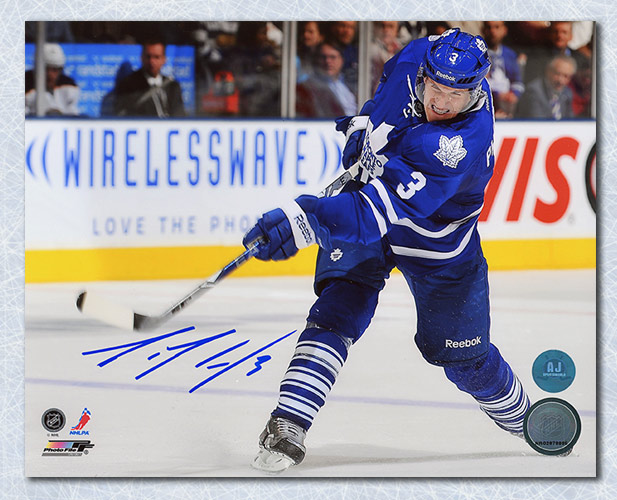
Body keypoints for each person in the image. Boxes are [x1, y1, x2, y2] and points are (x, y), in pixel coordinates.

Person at [243, 28, 534, 473]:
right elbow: (385, 89)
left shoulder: (457, 145)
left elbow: (368, 215)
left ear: (476, 91)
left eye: (456, 95)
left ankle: (528, 420)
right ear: (424, 72)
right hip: (374, 214)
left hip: (436, 245)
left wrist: (305, 220)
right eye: (435, 88)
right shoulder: (417, 54)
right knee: (337, 310)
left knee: (463, 359)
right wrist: (365, 125)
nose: (442, 103)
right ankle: (289, 422)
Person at [113, 39, 186, 117]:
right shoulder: (129, 86)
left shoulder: (172, 86)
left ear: (164, 59)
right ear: (142, 58)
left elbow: (179, 114)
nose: (152, 61)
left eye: (156, 57)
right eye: (148, 57)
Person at [296, 42, 357, 118]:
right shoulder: (307, 87)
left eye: (333, 57)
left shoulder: (351, 84)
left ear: (342, 60)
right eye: (323, 57)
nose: (327, 61)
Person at [482, 21, 524, 119]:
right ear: (483, 30)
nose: (493, 31)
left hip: (509, 104)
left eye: (497, 27)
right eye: (489, 27)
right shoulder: (478, 54)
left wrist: (514, 94)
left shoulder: (510, 55)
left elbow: (518, 80)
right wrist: (497, 95)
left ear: (504, 30)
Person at [25, 43, 80, 116]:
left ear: (61, 70)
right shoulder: (24, 86)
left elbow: (73, 116)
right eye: (46, 69)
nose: (50, 74)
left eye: (55, 69)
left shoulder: (69, 86)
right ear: (36, 68)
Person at [516, 54, 576, 120]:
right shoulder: (533, 92)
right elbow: (537, 123)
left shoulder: (567, 93)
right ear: (548, 71)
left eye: (566, 76)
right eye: (557, 74)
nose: (560, 80)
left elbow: (570, 120)